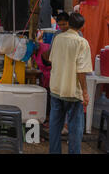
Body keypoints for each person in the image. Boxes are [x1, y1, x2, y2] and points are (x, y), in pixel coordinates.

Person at [48, 13, 92, 154]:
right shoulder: (81, 42)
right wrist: (85, 92)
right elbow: (82, 70)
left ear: (69, 23)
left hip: (56, 89)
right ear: (82, 26)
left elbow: (52, 60)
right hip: (73, 92)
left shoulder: (57, 38)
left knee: (55, 125)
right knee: (75, 128)